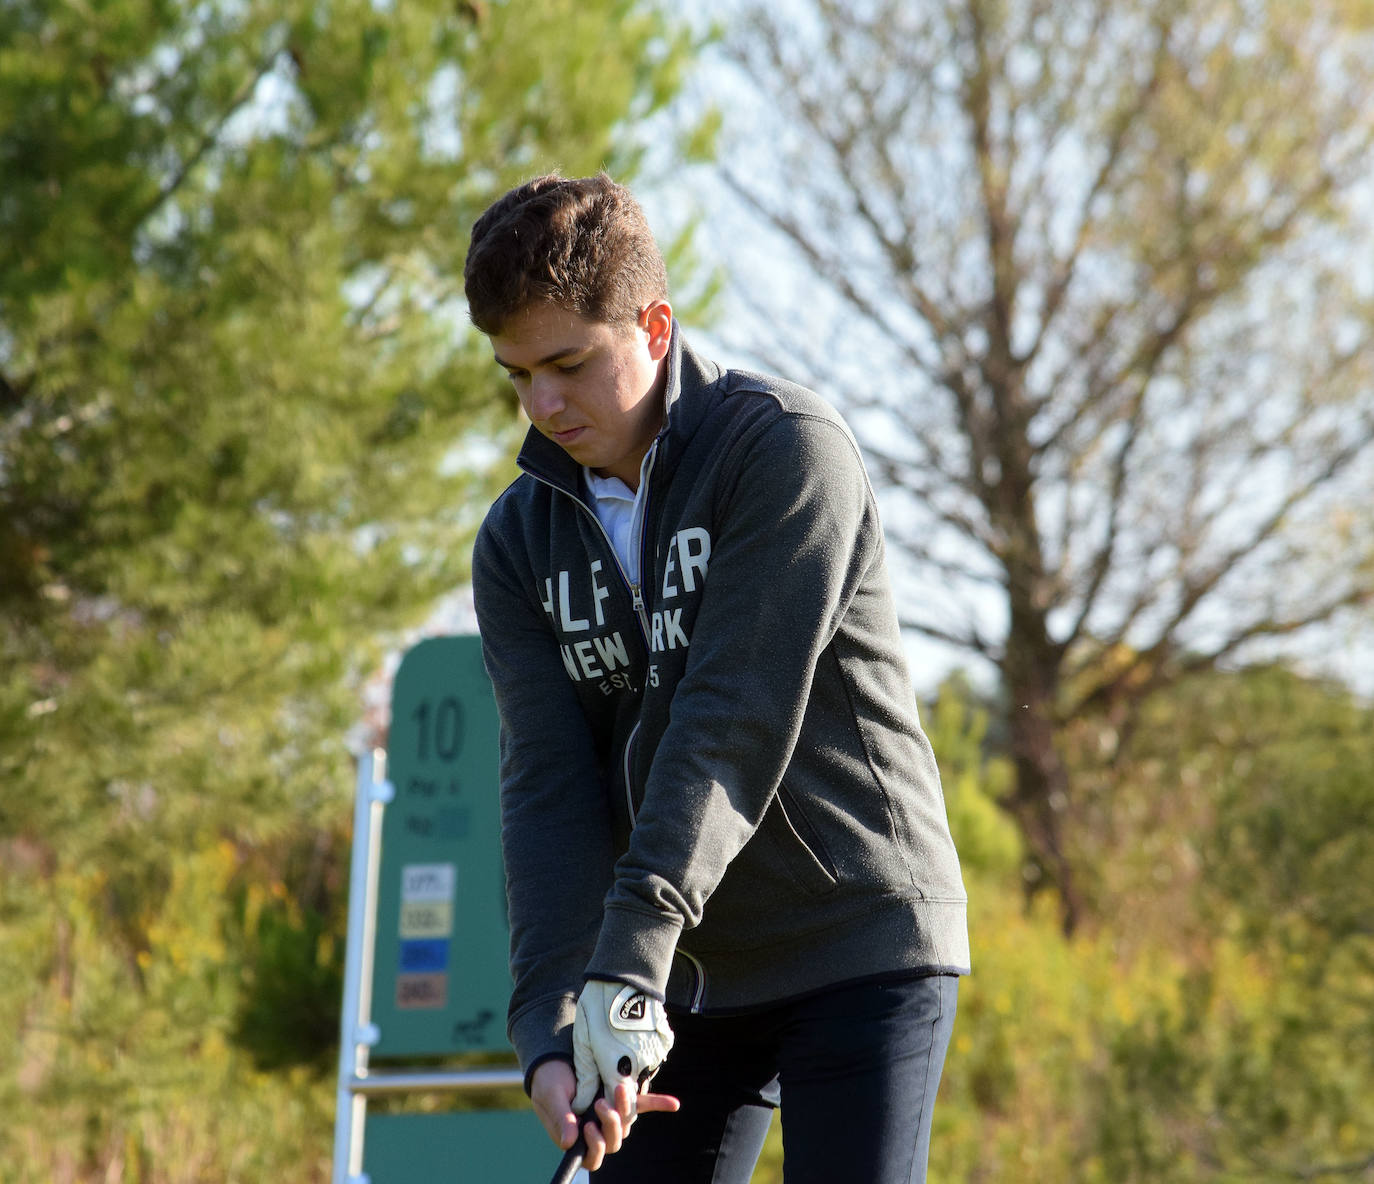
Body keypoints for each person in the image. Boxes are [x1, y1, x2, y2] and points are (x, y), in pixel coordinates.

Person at [465, 173, 969, 1183]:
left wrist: (626, 955)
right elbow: (547, 786)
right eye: (517, 373)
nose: (542, 403)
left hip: (856, 938)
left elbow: (728, 722)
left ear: (654, 325)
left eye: (568, 363)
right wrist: (552, 1026)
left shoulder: (783, 450)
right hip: (679, 979)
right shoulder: (518, 541)